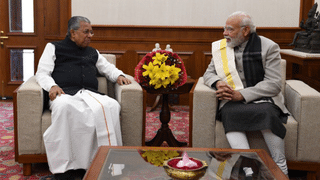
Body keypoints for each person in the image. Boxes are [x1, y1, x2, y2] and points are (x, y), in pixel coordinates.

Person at [36, 16, 131, 180]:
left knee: (112, 106)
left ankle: (107, 163)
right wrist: (51, 86)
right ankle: (65, 170)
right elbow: (42, 72)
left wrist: (119, 76)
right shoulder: (53, 47)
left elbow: (107, 68)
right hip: (64, 94)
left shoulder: (93, 52)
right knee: (63, 106)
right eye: (86, 32)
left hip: (90, 94)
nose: (90, 35)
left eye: (91, 32)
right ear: (72, 33)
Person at [203, 11, 289, 177]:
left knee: (267, 113)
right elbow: (209, 74)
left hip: (264, 99)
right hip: (232, 101)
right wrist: (218, 83)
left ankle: (280, 168)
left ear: (245, 30)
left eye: (229, 29)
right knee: (228, 112)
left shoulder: (269, 47)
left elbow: (274, 84)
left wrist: (242, 95)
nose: (224, 33)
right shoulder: (221, 48)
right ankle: (247, 166)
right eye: (224, 29)